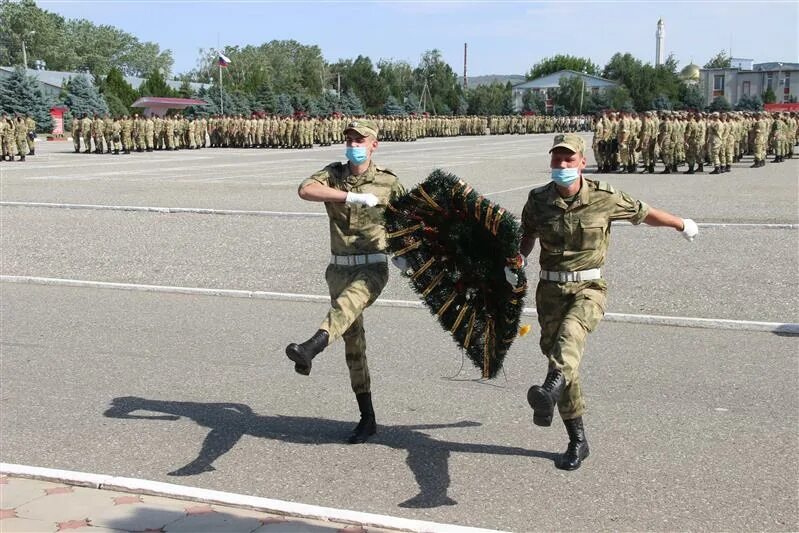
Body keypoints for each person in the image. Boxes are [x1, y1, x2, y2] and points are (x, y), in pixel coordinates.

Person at [513, 133, 698, 471]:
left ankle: (549, 390)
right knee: (563, 363)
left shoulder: (604, 197)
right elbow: (526, 236)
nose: (562, 165)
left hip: (589, 287)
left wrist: (681, 224)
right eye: (557, 160)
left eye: (569, 160)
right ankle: (577, 439)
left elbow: (644, 213)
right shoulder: (538, 199)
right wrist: (519, 260)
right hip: (550, 292)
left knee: (570, 337)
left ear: (582, 162)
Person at [285, 119, 405, 445]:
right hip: (338, 270)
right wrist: (350, 197)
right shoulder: (333, 175)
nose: (354, 144)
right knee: (354, 345)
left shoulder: (388, 182)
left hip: (372, 269)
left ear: (373, 145)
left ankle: (312, 345)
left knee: (347, 305)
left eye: (360, 140)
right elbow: (305, 190)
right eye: (349, 139)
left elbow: (410, 221)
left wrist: (408, 256)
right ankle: (367, 418)